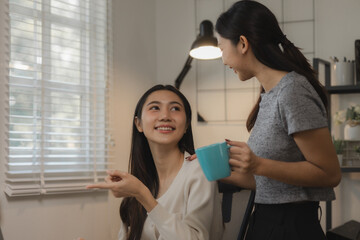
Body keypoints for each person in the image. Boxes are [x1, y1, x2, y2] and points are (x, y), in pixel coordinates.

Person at [213, 1, 342, 239]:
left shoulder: (292, 91)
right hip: (267, 221)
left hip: (291, 227)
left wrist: (258, 164)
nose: (222, 60)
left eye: (221, 48)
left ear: (242, 43)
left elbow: (330, 174)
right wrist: (207, 169)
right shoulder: (269, 94)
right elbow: (268, 181)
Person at [86, 85, 223, 240]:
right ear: (139, 124)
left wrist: (142, 194)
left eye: (175, 109)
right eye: (155, 108)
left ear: (186, 125)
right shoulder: (139, 180)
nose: (165, 116)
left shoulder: (199, 171)